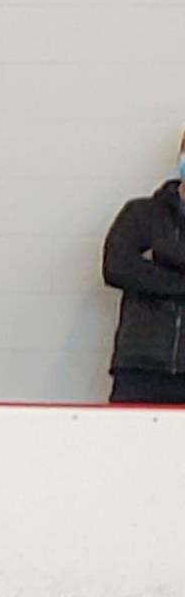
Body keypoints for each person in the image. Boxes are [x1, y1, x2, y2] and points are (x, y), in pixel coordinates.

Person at [107, 142, 185, 405]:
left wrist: (159, 260)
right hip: (139, 368)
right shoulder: (140, 214)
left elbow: (138, 270)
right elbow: (117, 267)